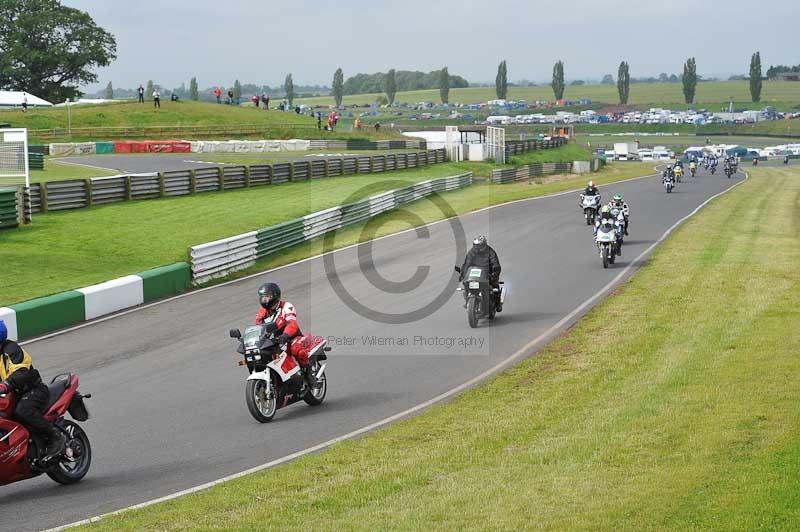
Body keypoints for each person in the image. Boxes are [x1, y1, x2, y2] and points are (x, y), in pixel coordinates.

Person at [0, 320, 66, 460]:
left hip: (32, 390)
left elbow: (21, 371)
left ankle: (55, 436)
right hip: (12, 394)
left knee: (22, 411)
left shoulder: (11, 349)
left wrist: (6, 384)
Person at [253, 283, 317, 385]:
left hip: (291, 337)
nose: (264, 300)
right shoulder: (262, 312)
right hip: (273, 341)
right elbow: (258, 328)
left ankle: (309, 374)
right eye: (262, 297)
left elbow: (292, 323)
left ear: (275, 296)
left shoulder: (286, 306)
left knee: (296, 349)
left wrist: (285, 336)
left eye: (267, 297)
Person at [459, 236, 502, 312]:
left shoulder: (490, 252)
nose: (477, 247)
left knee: (494, 286)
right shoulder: (471, 252)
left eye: (479, 245)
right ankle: (467, 301)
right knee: (466, 284)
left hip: (487, 273)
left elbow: (495, 263)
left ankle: (498, 303)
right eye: (476, 245)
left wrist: (495, 272)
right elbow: (466, 264)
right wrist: (463, 274)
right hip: (474, 274)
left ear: (484, 244)